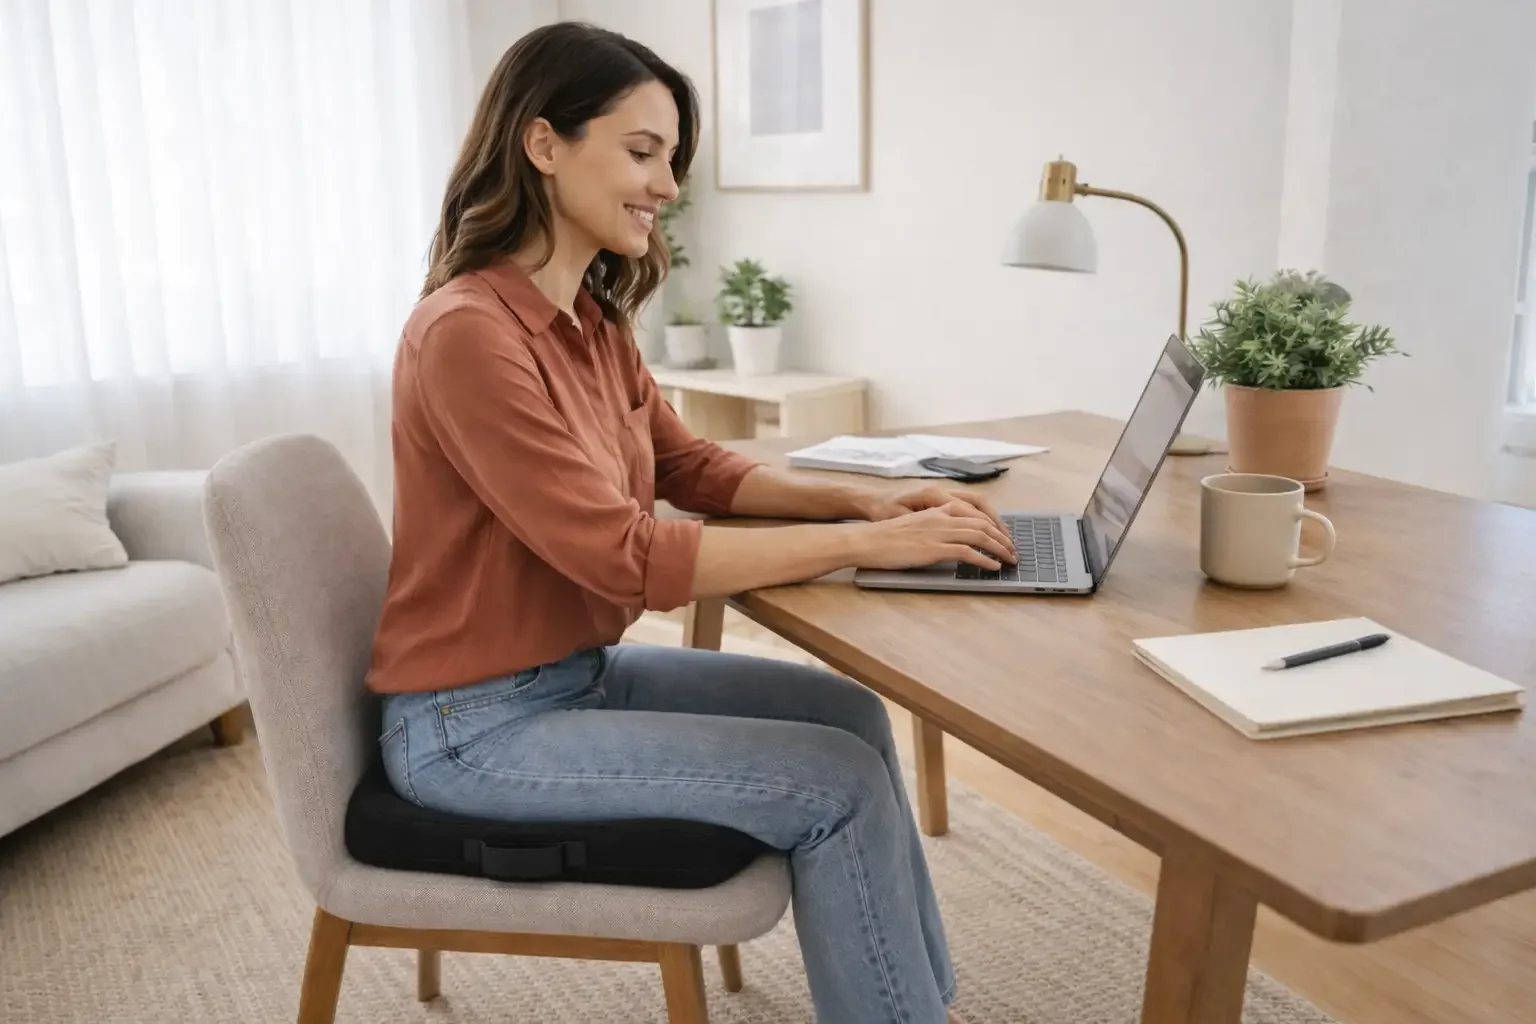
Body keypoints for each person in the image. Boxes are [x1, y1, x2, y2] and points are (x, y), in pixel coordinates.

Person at [366, 21, 1016, 1024]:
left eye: (669, 159)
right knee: (834, 783)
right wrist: (867, 546)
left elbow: (692, 467)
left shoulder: (591, 318)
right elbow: (624, 554)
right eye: (641, 152)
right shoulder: (467, 334)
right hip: (470, 726)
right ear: (543, 144)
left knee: (850, 717)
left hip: (570, 677)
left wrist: (871, 499)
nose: (667, 186)